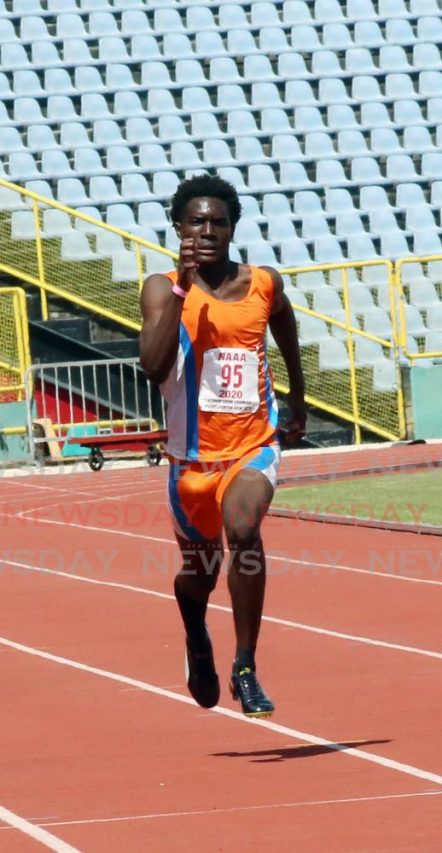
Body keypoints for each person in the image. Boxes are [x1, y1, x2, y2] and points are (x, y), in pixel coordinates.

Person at [139, 174, 307, 717]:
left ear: (233, 227)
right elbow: (153, 366)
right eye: (196, 222)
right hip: (191, 460)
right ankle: (195, 636)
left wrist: (298, 396)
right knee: (199, 574)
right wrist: (185, 288)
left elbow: (284, 322)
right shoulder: (162, 288)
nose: (207, 230)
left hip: (252, 444)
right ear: (178, 227)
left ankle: (246, 665)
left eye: (218, 222)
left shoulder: (262, 283)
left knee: (243, 528)